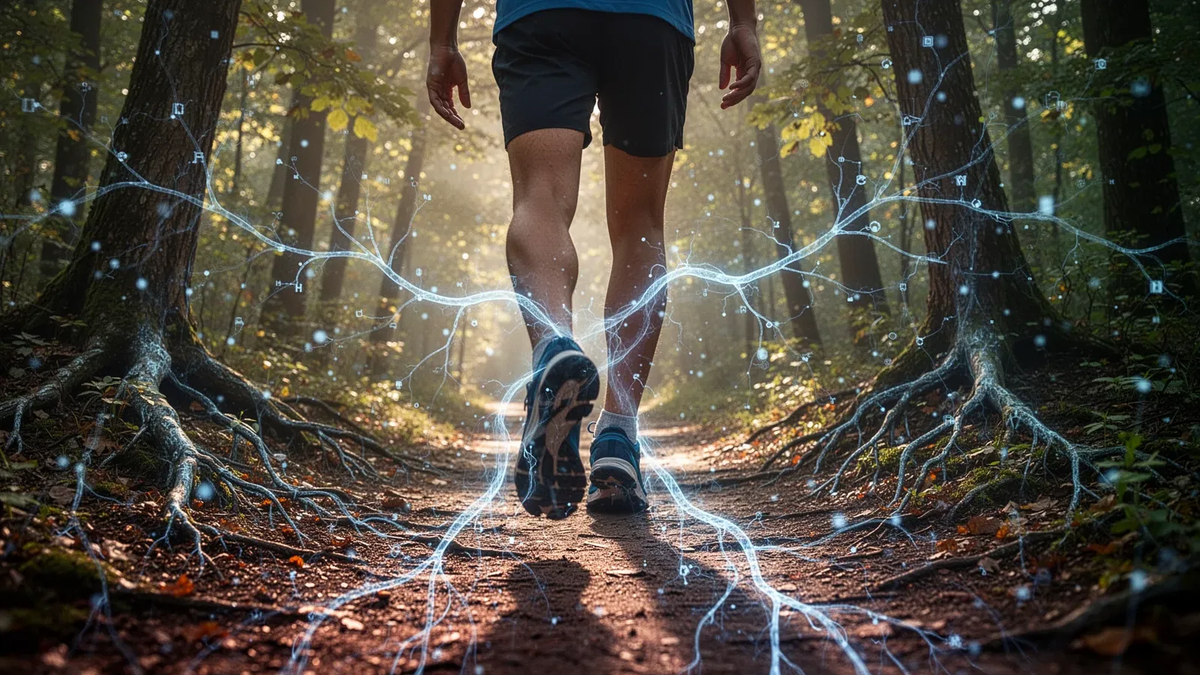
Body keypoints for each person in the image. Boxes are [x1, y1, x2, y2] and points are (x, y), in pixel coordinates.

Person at [427, 0, 761, 518]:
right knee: (641, 225)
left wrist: (442, 41)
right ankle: (618, 439)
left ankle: (554, 352)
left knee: (540, 197)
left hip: (541, 14)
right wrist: (742, 23)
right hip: (652, 19)